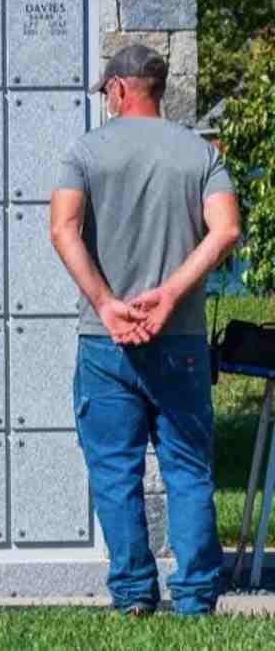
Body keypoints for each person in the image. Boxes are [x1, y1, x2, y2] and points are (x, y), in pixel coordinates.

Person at [50, 45, 241, 616]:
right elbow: (226, 230)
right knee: (187, 470)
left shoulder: (85, 152)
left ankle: (134, 596)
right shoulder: (200, 154)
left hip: (105, 342)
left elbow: (63, 229)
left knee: (115, 471)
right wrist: (172, 293)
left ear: (117, 90)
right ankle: (196, 598)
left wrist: (108, 305)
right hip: (178, 340)